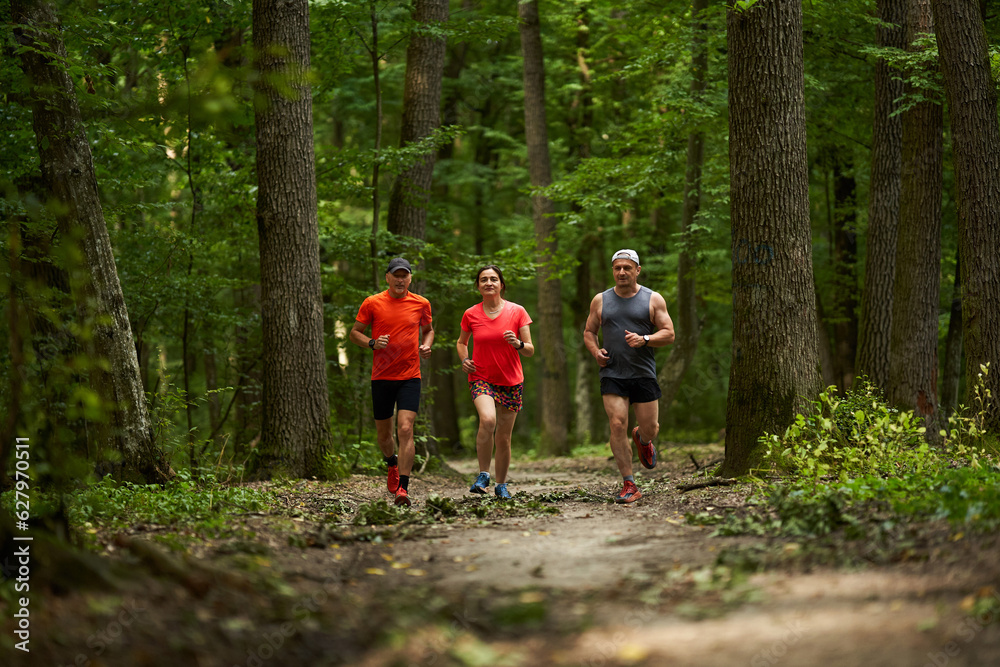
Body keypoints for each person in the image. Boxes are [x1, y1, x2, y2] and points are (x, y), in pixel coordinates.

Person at [583, 249, 674, 504]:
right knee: (617, 423)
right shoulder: (600, 300)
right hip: (612, 372)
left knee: (651, 428)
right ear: (613, 271)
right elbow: (589, 331)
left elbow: (669, 333)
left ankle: (643, 439)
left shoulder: (653, 299)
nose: (621, 272)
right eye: (617, 268)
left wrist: (645, 339)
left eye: (627, 268)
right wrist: (595, 351)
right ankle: (629, 483)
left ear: (637, 270)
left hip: (643, 373)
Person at [350, 257, 434, 507]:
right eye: (395, 275)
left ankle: (403, 490)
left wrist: (426, 345)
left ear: (410, 278)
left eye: (404, 275)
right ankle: (391, 463)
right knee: (385, 437)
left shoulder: (421, 303)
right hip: (382, 376)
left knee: (406, 429)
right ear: (387, 277)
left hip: (410, 375)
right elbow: (355, 333)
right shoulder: (372, 303)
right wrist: (373, 343)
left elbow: (429, 329)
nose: (400, 279)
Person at [456, 265, 534, 499]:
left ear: (501, 284)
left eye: (493, 279)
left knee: (503, 436)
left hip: (511, 380)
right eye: (483, 280)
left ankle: (501, 485)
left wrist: (517, 343)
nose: (489, 283)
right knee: (488, 420)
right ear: (478, 286)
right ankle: (483, 474)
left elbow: (530, 350)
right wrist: (465, 359)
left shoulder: (517, 311)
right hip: (481, 377)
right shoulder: (471, 313)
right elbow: (461, 342)